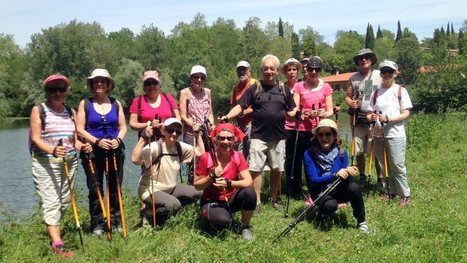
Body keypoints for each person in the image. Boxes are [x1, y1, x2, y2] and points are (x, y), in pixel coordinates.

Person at [221, 54, 298, 209]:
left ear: (277, 70)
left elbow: (292, 108)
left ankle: (274, 198)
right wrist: (227, 116)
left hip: (278, 136)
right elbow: (240, 106)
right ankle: (256, 201)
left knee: (277, 169)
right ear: (262, 70)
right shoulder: (255, 88)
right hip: (258, 135)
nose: (269, 71)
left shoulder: (284, 88)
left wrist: (296, 112)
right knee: (256, 169)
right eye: (266, 69)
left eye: (272, 68)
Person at [30, 74, 91, 258]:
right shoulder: (39, 109)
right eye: (52, 89)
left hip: (69, 162)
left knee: (64, 200)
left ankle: (53, 231)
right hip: (46, 163)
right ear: (46, 92)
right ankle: (58, 246)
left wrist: (83, 146)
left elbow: (74, 141)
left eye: (61, 89)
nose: (57, 93)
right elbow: (35, 138)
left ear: (67, 91)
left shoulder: (70, 112)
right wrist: (53, 150)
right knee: (52, 201)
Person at [76, 68, 127, 236]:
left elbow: (123, 127)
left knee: (115, 187)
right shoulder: (85, 104)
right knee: (95, 188)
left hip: (114, 151)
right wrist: (96, 141)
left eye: (103, 81)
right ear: (92, 84)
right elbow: (80, 129)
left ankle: (115, 221)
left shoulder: (116, 103)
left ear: (108, 85)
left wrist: (118, 140)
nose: (99, 84)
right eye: (96, 81)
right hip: (93, 152)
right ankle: (97, 223)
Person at [132, 118, 203, 225]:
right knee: (174, 204)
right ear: (163, 131)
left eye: (178, 131)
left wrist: (198, 134)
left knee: (199, 192)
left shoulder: (179, 147)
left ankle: (166, 211)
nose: (174, 133)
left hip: (171, 188)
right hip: (151, 190)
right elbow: (135, 160)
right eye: (170, 130)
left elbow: (201, 155)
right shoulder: (156, 147)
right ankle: (149, 214)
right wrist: (143, 137)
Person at [303, 119, 368, 232]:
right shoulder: (309, 153)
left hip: (337, 189)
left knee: (355, 188)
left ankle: (361, 221)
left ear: (334, 135)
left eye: (328, 134)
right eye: (320, 134)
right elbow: (313, 180)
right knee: (331, 205)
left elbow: (346, 181)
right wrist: (334, 175)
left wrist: (348, 172)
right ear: (316, 136)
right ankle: (321, 217)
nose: (324, 138)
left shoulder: (342, 153)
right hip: (319, 191)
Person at [194, 123, 256, 240]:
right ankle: (213, 217)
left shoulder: (238, 156)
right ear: (215, 140)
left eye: (229, 138)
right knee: (223, 222)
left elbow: (248, 181)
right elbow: (197, 185)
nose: (226, 142)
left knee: (250, 193)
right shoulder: (206, 158)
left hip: (230, 199)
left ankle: (245, 226)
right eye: (221, 138)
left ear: (235, 140)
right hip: (211, 201)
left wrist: (229, 183)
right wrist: (211, 176)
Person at [367, 60, 412, 207]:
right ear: (380, 74)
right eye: (384, 72)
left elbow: (406, 113)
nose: (386, 74)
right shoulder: (375, 92)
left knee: (397, 164)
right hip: (379, 134)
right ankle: (389, 191)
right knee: (383, 164)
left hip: (395, 133)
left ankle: (405, 194)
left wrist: (389, 119)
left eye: (390, 72)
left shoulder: (400, 91)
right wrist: (372, 117)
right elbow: (369, 113)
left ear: (395, 74)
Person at [292, 56, 334, 202]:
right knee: (302, 159)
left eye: (317, 69)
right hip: (303, 129)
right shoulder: (299, 86)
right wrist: (302, 114)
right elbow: (295, 108)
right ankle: (296, 190)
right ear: (306, 70)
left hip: (320, 129)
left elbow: (330, 110)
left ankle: (318, 190)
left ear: (320, 71)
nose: (314, 72)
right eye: (311, 69)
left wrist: (323, 113)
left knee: (319, 160)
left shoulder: (326, 87)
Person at [345, 48, 382, 187]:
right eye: (361, 58)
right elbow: (347, 97)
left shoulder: (379, 75)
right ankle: (362, 176)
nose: (363, 60)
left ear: (371, 59)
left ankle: (380, 178)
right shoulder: (353, 78)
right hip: (357, 119)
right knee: (358, 150)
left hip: (374, 119)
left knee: (376, 150)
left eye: (366, 57)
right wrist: (351, 103)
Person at [179, 65, 214, 184]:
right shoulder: (185, 93)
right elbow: (183, 116)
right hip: (191, 132)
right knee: (193, 160)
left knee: (207, 158)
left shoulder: (207, 92)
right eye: (196, 77)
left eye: (202, 78)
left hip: (206, 131)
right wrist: (193, 124)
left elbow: (210, 113)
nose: (199, 80)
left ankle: (206, 184)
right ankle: (192, 186)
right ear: (191, 78)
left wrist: (212, 124)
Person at [129, 70, 180, 140]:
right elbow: (132, 124)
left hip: (169, 142)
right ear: (144, 87)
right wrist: (149, 124)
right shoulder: (137, 101)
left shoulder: (169, 98)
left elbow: (178, 119)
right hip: (146, 144)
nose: (151, 86)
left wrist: (166, 125)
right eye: (148, 83)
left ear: (159, 85)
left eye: (154, 83)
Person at [282, 58, 304, 200]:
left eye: (294, 69)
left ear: (298, 71)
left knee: (299, 158)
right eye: (289, 70)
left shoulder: (303, 85)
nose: (291, 72)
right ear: (285, 72)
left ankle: (298, 187)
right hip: (285, 126)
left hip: (300, 126)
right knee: (289, 158)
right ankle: (288, 187)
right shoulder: (281, 87)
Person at [230, 61, 257, 159]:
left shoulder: (255, 84)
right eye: (239, 70)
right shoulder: (236, 88)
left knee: (251, 149)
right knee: (239, 150)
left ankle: (250, 172)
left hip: (252, 123)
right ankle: (240, 172)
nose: (241, 72)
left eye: (244, 69)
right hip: (239, 124)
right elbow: (233, 105)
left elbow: (262, 105)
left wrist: (247, 111)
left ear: (249, 71)